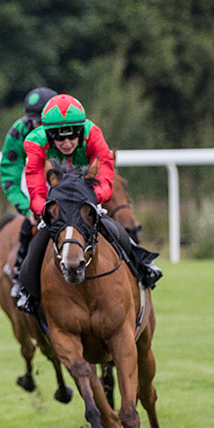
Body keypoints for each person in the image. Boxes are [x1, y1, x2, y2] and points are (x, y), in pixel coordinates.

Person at [16, 93, 163, 313]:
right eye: (60, 139)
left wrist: (88, 200)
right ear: (49, 135)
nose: (67, 144)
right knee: (38, 241)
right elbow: (36, 188)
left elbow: (106, 179)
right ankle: (27, 291)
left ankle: (142, 266)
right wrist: (46, 210)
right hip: (55, 197)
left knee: (114, 229)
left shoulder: (93, 133)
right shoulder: (34, 141)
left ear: (80, 131)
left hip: (86, 195)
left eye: (72, 138)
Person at [1, 87, 57, 300]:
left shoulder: (69, 127)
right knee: (28, 227)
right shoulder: (19, 131)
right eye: (35, 122)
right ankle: (18, 277)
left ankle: (136, 262)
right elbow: (10, 175)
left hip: (68, 183)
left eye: (43, 123)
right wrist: (27, 208)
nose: (38, 128)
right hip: (34, 186)